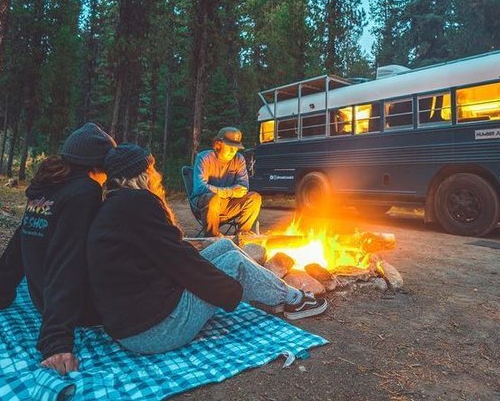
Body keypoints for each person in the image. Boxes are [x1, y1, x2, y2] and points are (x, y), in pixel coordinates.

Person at [88, 144, 327, 355]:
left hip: (134, 319)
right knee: (234, 264)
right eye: (149, 169)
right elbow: (179, 260)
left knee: (224, 245)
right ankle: (294, 299)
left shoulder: (117, 205)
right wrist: (227, 289)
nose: (154, 174)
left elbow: (170, 254)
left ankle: (272, 293)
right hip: (154, 329)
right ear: (138, 174)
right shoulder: (137, 203)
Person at [0, 122, 116, 375]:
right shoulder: (85, 191)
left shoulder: (49, 187)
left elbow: (20, 241)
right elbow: (68, 260)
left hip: (41, 297)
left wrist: (0, 292)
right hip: (81, 309)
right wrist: (56, 343)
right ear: (99, 164)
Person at [191, 126, 261, 236]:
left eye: (236, 147)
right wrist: (230, 191)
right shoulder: (204, 158)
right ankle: (212, 236)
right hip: (206, 205)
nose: (233, 150)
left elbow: (243, 187)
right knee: (213, 198)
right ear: (218, 144)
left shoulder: (238, 159)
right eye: (230, 146)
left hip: (228, 205)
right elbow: (200, 187)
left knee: (254, 198)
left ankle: (243, 233)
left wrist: (226, 193)